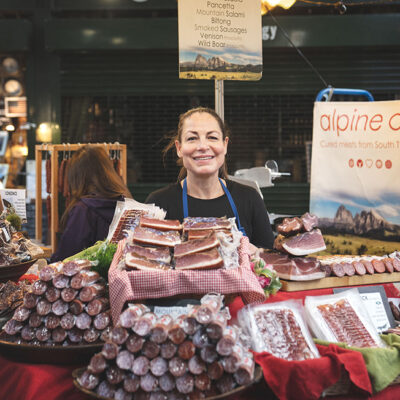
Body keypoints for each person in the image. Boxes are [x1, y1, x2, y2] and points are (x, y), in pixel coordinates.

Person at [146, 107, 274, 249]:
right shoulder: (158, 203)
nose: (202, 146)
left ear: (225, 145)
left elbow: (268, 262)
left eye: (212, 137)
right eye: (192, 138)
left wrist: (255, 254)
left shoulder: (249, 198)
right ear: (179, 148)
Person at [50, 145, 132, 262]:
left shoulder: (83, 210)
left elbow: (66, 256)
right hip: (122, 279)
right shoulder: (128, 206)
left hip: (88, 279)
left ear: (77, 176)